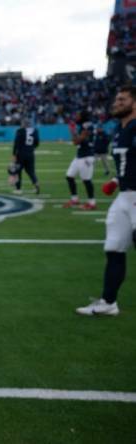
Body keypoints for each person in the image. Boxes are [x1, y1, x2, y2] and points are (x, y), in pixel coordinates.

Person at [76, 86, 136, 316]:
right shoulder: (122, 130)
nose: (116, 102)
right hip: (124, 196)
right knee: (113, 248)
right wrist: (115, 179)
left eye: (123, 99)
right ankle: (109, 302)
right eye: (116, 98)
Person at [63, 112, 97, 210]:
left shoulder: (87, 125)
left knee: (86, 180)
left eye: (77, 115)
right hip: (80, 155)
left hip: (86, 156)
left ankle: (92, 202)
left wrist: (72, 131)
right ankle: (74, 199)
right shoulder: (84, 125)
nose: (75, 116)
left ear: (82, 116)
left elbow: (76, 141)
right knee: (69, 176)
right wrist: (73, 132)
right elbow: (76, 141)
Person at [12, 121, 40, 194]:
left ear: (23, 125)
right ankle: (36, 183)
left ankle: (18, 189)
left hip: (21, 154)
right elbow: (37, 142)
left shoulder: (20, 131)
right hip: (30, 153)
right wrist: (31, 148)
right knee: (31, 171)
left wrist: (14, 154)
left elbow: (16, 143)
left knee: (18, 171)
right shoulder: (35, 131)